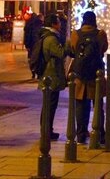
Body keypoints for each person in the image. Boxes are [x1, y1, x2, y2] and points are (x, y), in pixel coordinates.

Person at [69, 11, 108, 144]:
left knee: (80, 105)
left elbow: (72, 49)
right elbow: (104, 48)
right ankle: (100, 134)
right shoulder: (100, 34)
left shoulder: (76, 34)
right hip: (96, 75)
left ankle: (80, 134)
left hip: (80, 76)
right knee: (98, 105)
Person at [38, 13, 67, 141]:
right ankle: (46, 131)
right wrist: (67, 45)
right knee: (49, 105)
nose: (60, 24)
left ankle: (47, 130)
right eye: (58, 22)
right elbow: (60, 53)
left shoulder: (49, 36)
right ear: (53, 24)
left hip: (50, 75)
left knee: (49, 105)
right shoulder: (51, 39)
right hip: (51, 76)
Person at [24, 10, 44, 79]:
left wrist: (26, 44)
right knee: (38, 59)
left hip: (31, 44)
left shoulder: (29, 24)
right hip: (38, 44)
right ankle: (38, 73)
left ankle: (33, 72)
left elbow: (27, 35)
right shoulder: (41, 25)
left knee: (31, 59)